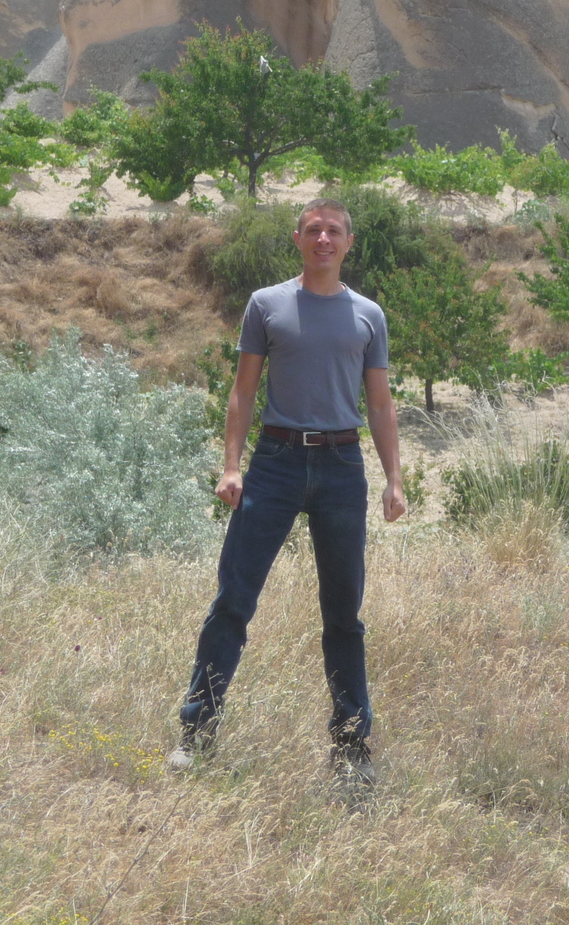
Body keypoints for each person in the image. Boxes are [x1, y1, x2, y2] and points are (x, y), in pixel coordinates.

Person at [170, 198, 407, 784]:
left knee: (343, 614)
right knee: (233, 600)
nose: (323, 239)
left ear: (349, 243)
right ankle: (197, 734)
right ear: (298, 239)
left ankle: (351, 749)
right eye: (313, 230)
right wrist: (232, 466)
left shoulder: (369, 315)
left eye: (334, 231)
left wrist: (394, 479)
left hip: (341, 466)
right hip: (275, 462)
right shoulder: (266, 304)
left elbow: (379, 403)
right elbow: (243, 390)